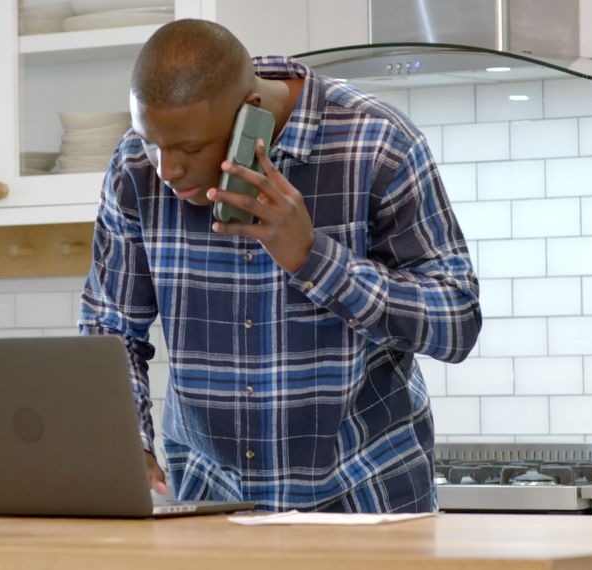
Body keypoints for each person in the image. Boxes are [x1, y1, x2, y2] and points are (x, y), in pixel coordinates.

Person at [79, 19, 481, 513]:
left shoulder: (377, 144)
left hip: (367, 505)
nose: (167, 170)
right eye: (151, 141)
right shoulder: (134, 168)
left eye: (189, 149)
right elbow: (110, 327)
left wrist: (313, 258)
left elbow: (457, 322)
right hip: (212, 511)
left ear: (252, 115)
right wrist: (128, 440)